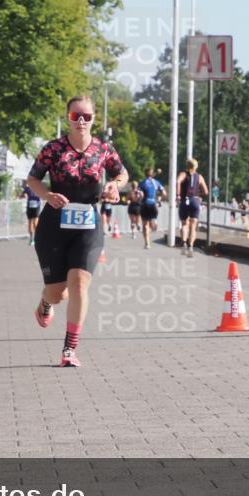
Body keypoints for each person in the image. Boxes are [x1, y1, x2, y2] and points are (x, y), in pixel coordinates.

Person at [26, 96, 129, 367]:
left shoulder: (103, 149)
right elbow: (32, 178)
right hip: (53, 226)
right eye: (75, 116)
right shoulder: (54, 149)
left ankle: (69, 350)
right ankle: (45, 302)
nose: (81, 121)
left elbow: (122, 174)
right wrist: (47, 195)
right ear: (67, 118)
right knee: (59, 293)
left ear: (94, 119)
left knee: (80, 283)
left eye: (86, 116)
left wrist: (114, 186)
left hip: (88, 225)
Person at [176, 158, 209, 257]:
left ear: (187, 165)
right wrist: (198, 194)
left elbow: (177, 182)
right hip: (195, 200)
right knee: (193, 226)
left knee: (184, 224)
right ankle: (191, 246)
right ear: (196, 167)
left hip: (184, 200)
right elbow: (206, 192)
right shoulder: (199, 177)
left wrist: (178, 195)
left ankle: (184, 243)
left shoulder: (183, 174)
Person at [138, 168, 165, 249]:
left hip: (145, 204)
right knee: (151, 221)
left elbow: (141, 195)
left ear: (145, 174)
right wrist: (159, 200)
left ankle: (147, 244)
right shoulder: (156, 182)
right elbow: (164, 193)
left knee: (145, 225)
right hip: (153, 203)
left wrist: (139, 201)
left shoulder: (142, 183)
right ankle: (154, 222)